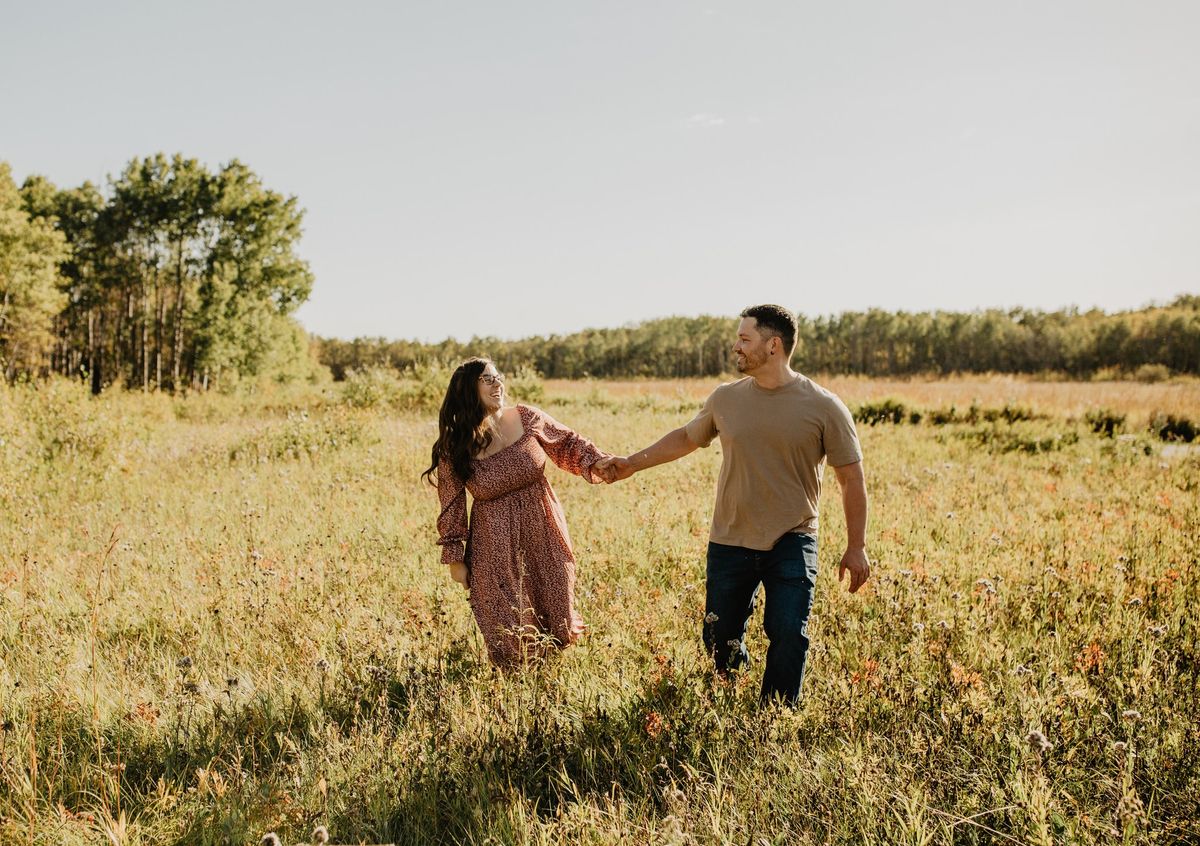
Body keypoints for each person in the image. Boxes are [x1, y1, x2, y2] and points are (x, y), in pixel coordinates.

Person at [596, 305, 870, 705]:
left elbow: (852, 479)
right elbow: (686, 438)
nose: (735, 346)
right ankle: (729, 695)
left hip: (792, 538)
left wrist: (856, 545)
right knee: (718, 636)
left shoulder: (825, 407)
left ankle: (774, 717)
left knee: (789, 631)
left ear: (773, 345)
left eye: (745, 339)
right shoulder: (726, 398)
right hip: (730, 539)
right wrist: (630, 465)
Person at [423, 357, 613, 668]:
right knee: (507, 620)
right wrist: (455, 559)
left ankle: (549, 679)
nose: (498, 383)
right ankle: (517, 688)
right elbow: (451, 504)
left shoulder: (527, 417)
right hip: (494, 544)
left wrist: (600, 462)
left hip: (544, 528)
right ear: (468, 389)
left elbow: (568, 444)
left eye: (498, 377)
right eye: (487, 379)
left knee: (558, 606)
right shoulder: (455, 444)